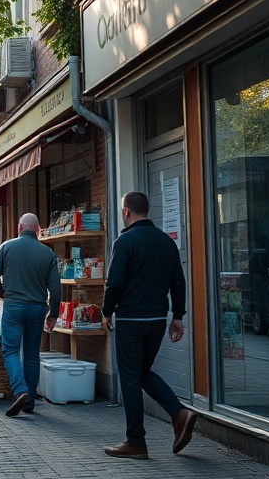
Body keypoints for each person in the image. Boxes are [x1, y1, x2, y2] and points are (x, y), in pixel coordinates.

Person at [101, 191, 197, 460]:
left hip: (131, 319)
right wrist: (178, 315)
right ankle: (179, 414)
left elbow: (115, 282)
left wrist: (106, 311)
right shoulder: (167, 243)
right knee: (141, 372)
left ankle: (136, 441)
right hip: (157, 320)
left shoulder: (125, 241)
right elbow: (179, 281)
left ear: (126, 211)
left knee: (130, 378)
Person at [0, 212, 61, 417]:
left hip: (14, 307)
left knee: (10, 351)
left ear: (20, 227)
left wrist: (1, 292)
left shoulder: (7, 247)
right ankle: (29, 402)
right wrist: (53, 313)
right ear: (38, 230)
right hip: (37, 308)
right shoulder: (47, 253)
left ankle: (20, 391)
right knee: (31, 354)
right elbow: (55, 288)